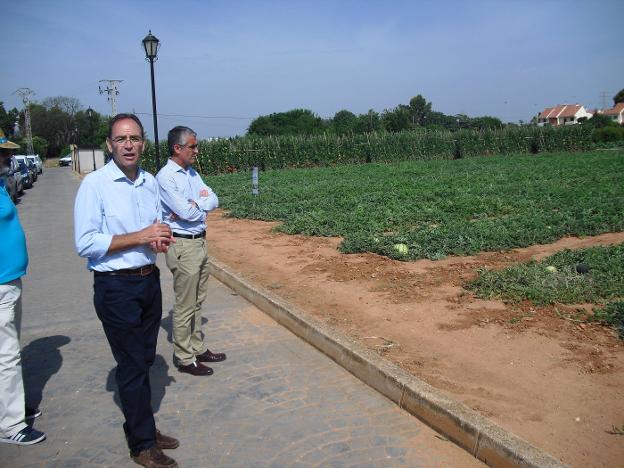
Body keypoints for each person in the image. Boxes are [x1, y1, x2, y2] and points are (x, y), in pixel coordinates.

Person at [74, 114, 179, 468]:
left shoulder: (148, 182)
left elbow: (154, 228)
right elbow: (86, 243)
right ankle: (141, 444)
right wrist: (141, 236)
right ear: (109, 144)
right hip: (116, 286)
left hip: (148, 280)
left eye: (134, 138)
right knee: (132, 365)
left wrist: (160, 239)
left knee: (146, 359)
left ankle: (144, 426)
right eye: (121, 139)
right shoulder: (95, 184)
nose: (129, 145)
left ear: (144, 144)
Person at [156, 126, 225, 377]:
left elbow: (214, 198)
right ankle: (185, 357)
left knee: (197, 300)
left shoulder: (192, 173)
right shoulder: (166, 177)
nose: (196, 150)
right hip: (183, 245)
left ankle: (197, 347)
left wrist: (198, 203)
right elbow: (185, 213)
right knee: (185, 305)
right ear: (178, 148)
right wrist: (195, 206)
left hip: (200, 241)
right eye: (192, 146)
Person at [0, 130, 46, 446]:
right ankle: (11, 424)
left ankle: (10, 408)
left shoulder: (2, 185)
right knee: (7, 356)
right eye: (2, 153)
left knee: (9, 349)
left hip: (9, 280)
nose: (8, 157)